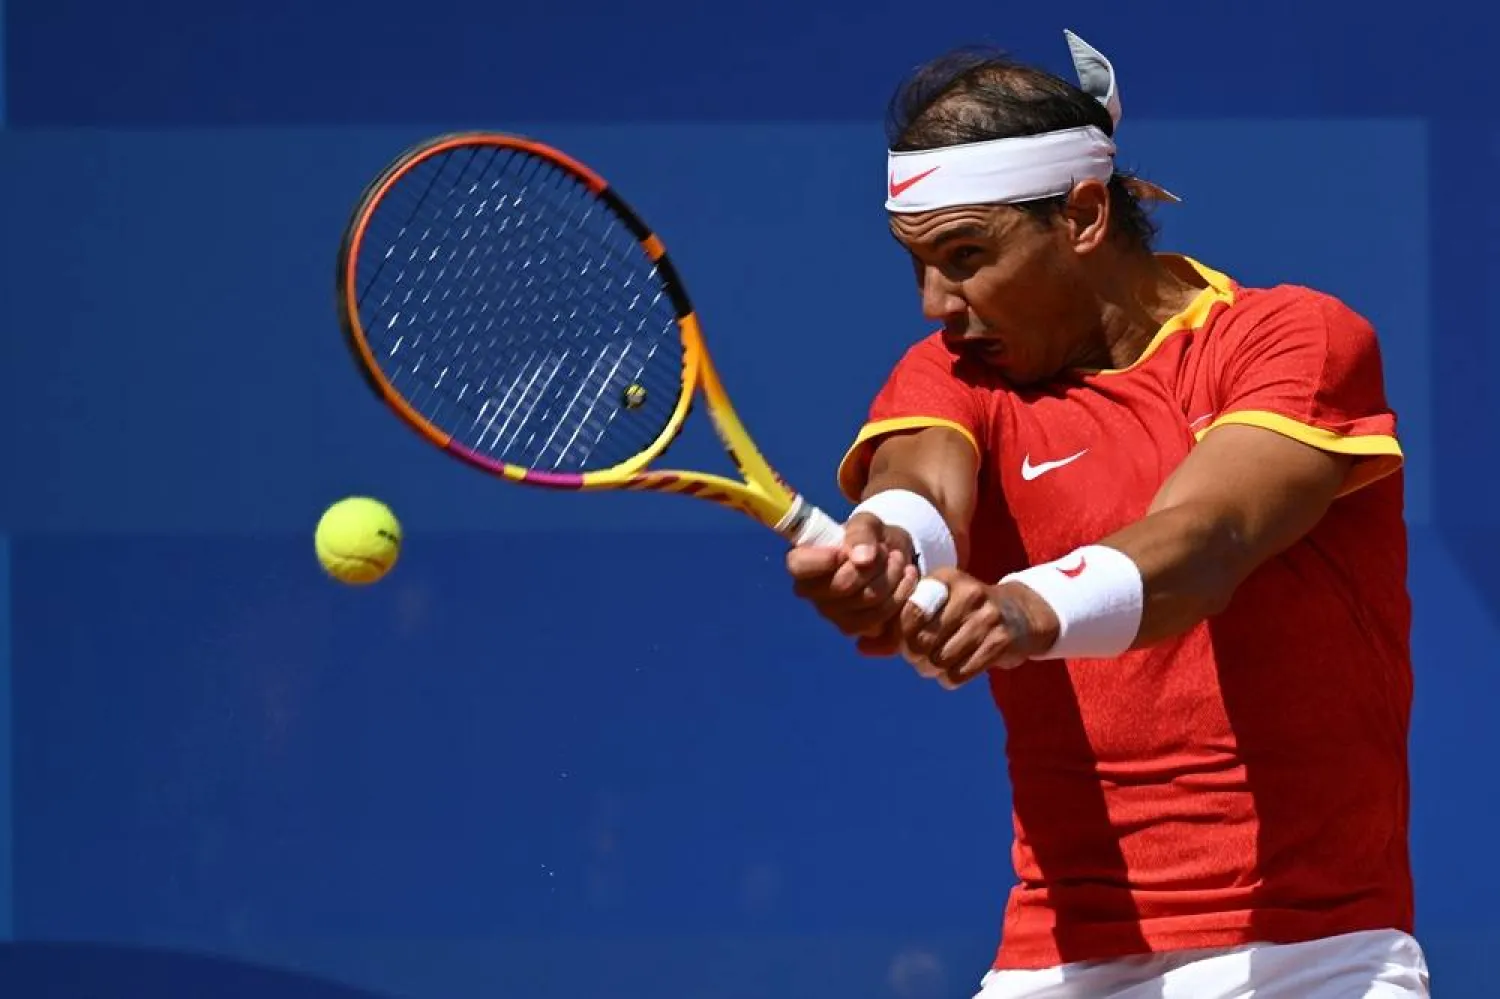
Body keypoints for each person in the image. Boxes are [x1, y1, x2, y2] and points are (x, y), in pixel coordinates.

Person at [785, 29, 1428, 999]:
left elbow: (1206, 542)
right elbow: (920, 485)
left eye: (966, 256)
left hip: (1314, 955)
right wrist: (889, 547)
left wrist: (1020, 609)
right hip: (1058, 954)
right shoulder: (956, 373)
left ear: (1083, 216)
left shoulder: (1290, 340)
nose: (936, 304)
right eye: (917, 264)